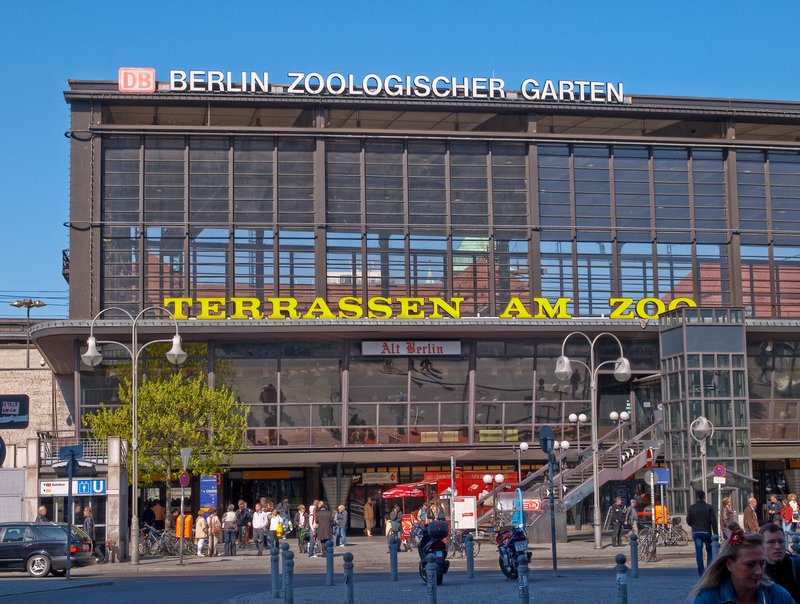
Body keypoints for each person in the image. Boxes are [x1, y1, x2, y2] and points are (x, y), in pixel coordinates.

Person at [691, 524, 794, 604]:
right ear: (729, 564)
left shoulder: (777, 595)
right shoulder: (709, 598)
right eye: (750, 564)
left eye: (762, 563)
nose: (759, 571)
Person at [760, 522, 800, 603]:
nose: (777, 547)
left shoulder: (796, 565)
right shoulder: (756, 571)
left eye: (781, 542)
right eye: (771, 542)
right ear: (761, 545)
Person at [687, 491, 718, 576]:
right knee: (709, 551)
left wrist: (693, 525)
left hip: (696, 532)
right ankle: (708, 570)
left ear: (697, 497)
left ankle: (701, 572)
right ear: (704, 497)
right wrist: (716, 533)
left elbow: (688, 520)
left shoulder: (692, 507)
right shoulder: (709, 507)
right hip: (706, 532)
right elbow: (714, 521)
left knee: (699, 552)